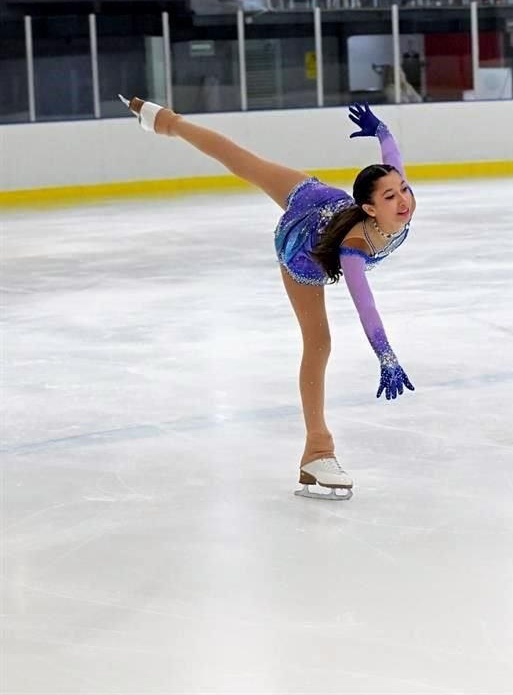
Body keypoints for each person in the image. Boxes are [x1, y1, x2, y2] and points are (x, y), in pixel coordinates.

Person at [118, 96, 416, 501]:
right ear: (367, 207)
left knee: (248, 163)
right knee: (319, 341)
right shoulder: (353, 248)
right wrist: (385, 354)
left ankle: (163, 121)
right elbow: (366, 305)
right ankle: (318, 449)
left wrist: (381, 128)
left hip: (320, 200)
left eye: (404, 191)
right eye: (390, 197)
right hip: (303, 248)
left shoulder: (394, 204)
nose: (403, 201)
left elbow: (391, 155)